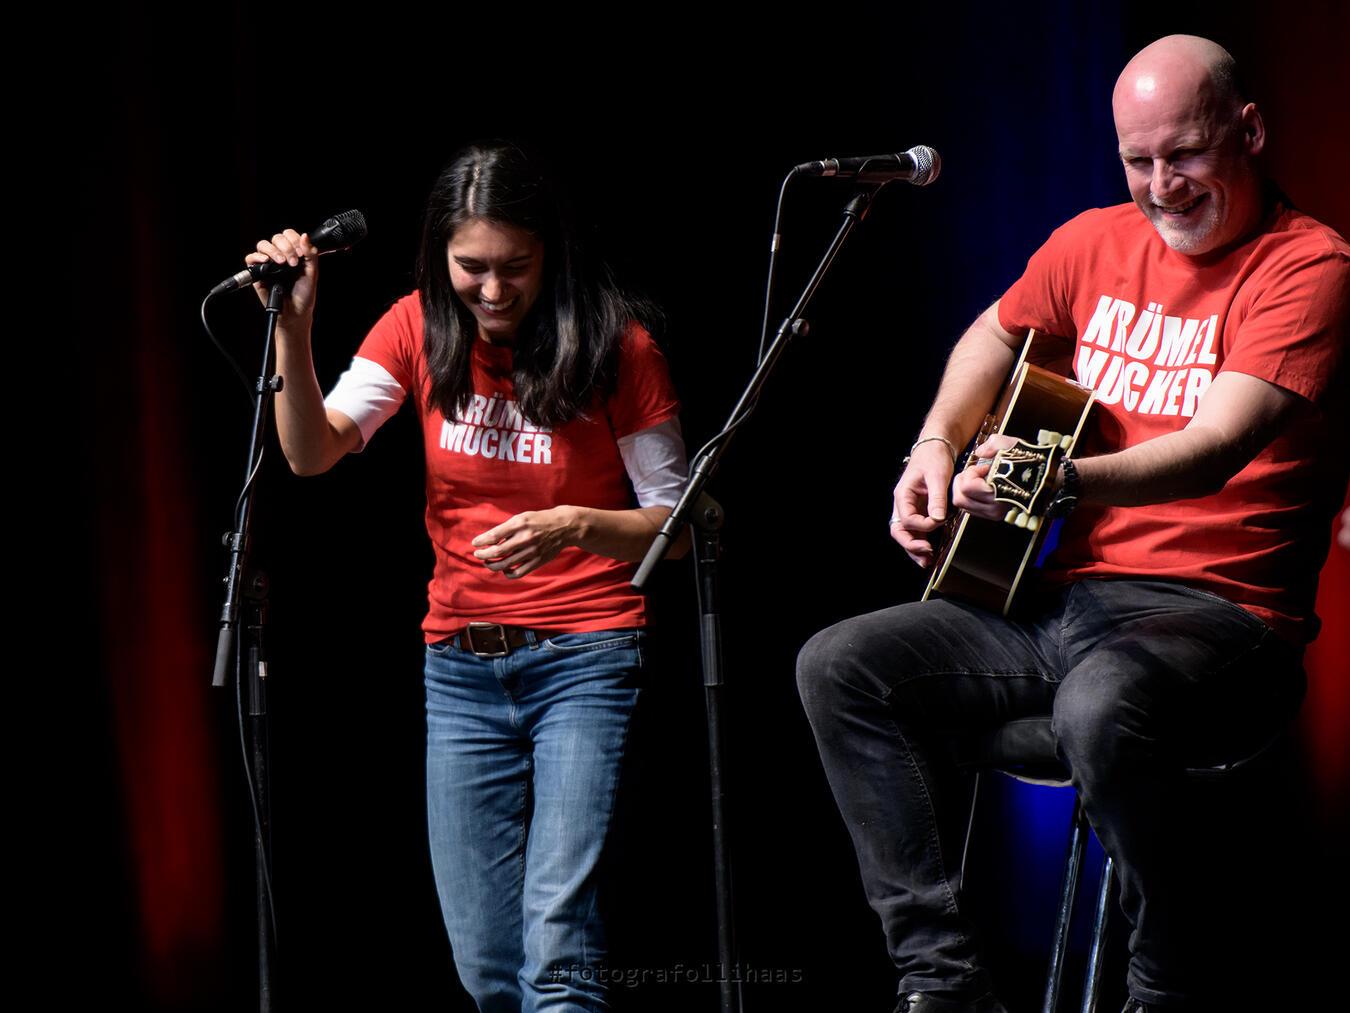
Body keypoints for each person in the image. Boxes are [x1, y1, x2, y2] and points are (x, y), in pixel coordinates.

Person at [796, 35, 1348, 1013]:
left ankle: (1166, 981)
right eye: (1138, 161)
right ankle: (945, 980)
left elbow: (1217, 445)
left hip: (1225, 624)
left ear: (1248, 131)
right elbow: (994, 330)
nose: (1161, 185)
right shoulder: (1090, 240)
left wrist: (1058, 480)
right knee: (841, 661)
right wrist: (931, 448)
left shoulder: (1309, 266)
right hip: (1068, 607)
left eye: (1184, 154)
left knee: (1100, 701)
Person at [247, 141, 688, 1012]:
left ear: (550, 253)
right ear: (439, 258)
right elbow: (310, 451)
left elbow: (678, 525)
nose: (491, 291)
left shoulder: (617, 343)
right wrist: (293, 329)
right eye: (471, 268)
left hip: (585, 656)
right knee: (486, 968)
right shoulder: (414, 325)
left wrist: (578, 523)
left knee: (558, 957)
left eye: (514, 268)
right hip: (459, 668)